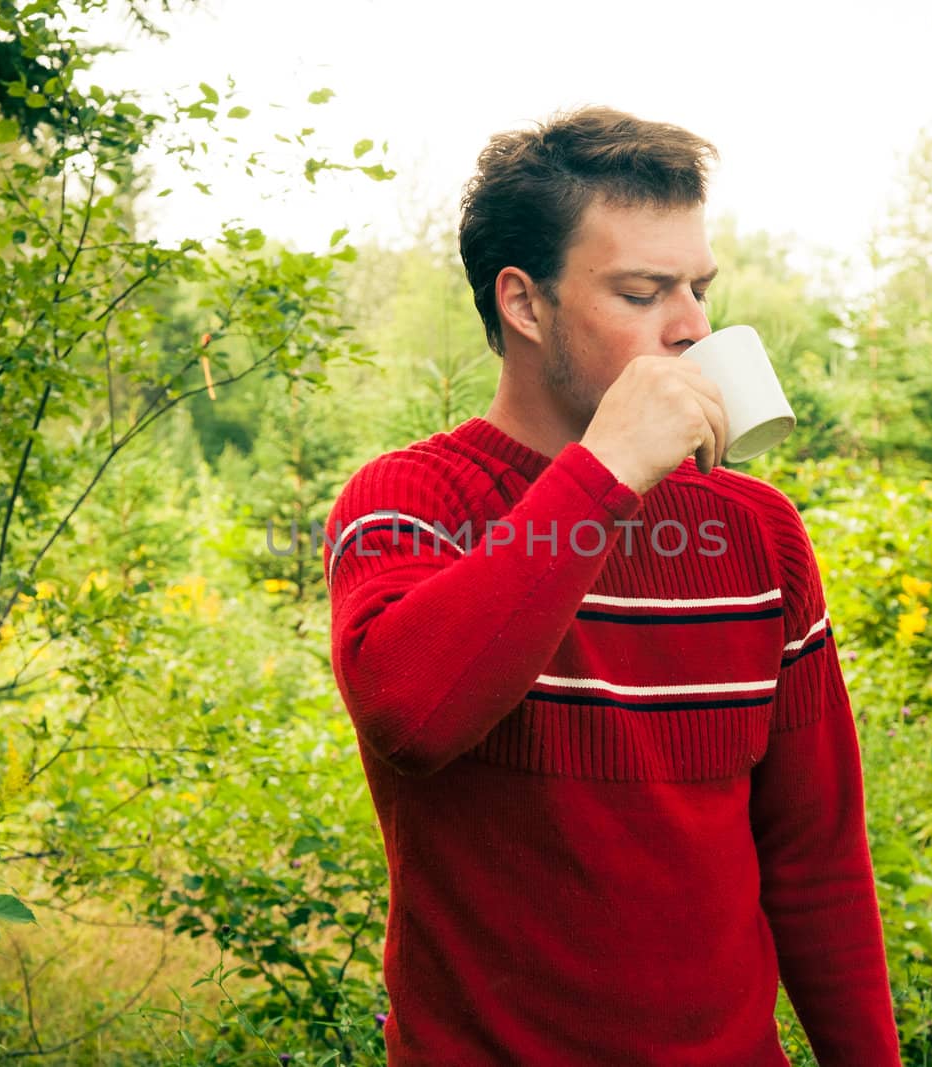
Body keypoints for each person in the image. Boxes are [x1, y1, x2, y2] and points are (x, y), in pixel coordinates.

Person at [322, 105, 901, 1066]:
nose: (691, 327)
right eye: (643, 292)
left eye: (699, 289)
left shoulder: (759, 534)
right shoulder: (409, 504)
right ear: (524, 302)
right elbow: (412, 717)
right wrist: (606, 470)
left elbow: (817, 864)